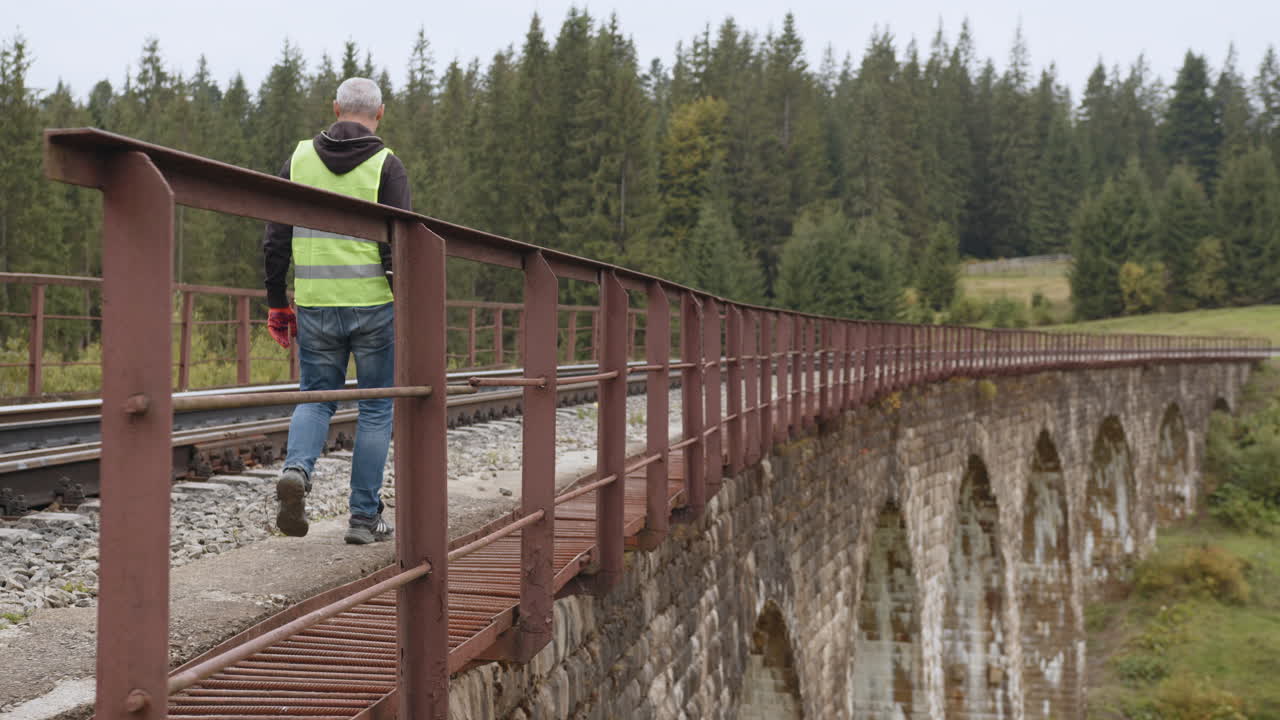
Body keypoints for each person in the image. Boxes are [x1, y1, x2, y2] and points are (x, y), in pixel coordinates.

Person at [263, 77, 410, 544]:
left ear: (335, 107)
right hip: (373, 307)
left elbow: (275, 238)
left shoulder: (299, 159)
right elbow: (400, 247)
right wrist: (405, 305)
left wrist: (276, 301)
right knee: (374, 408)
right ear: (380, 113)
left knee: (316, 396)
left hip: (315, 306)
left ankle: (297, 471)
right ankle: (363, 519)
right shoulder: (388, 166)